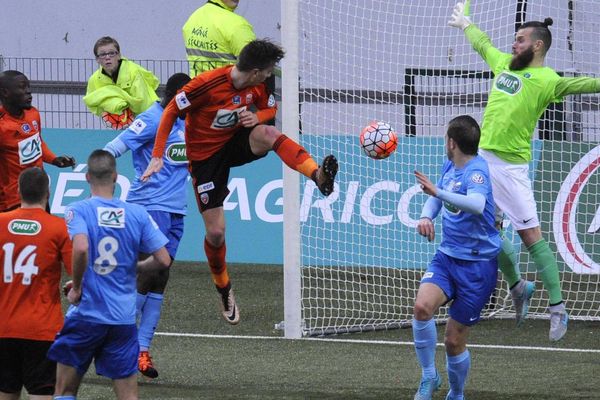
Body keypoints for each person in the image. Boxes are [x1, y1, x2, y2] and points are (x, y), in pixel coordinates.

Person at [142, 39, 338, 325]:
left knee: (269, 134)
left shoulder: (258, 86)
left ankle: (317, 175)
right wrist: (158, 155)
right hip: (206, 159)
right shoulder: (206, 85)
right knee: (217, 233)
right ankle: (223, 288)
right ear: (256, 71)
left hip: (235, 142)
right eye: (269, 71)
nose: (271, 75)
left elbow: (270, 110)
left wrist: (256, 116)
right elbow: (171, 109)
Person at [448, 1, 600, 341]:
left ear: (537, 45)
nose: (513, 44)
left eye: (519, 39)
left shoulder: (548, 80)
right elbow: (483, 44)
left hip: (513, 168)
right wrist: (467, 24)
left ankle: (558, 308)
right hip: (483, 161)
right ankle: (517, 286)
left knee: (530, 236)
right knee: (484, 228)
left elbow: (588, 84)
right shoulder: (503, 64)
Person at [47, 150, 171, 400]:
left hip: (86, 317)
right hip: (122, 321)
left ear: (86, 177)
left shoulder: (78, 210)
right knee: (127, 396)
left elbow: (81, 248)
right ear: (115, 176)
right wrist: (134, 267)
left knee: (64, 391)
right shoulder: (138, 214)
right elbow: (163, 260)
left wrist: (78, 287)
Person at [103, 72, 191, 379]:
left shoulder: (186, 121)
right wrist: (103, 186)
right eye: (185, 98)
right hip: (149, 207)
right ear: (173, 96)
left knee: (160, 277)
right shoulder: (152, 119)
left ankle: (141, 348)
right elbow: (113, 147)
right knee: (146, 274)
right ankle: (118, 344)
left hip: (176, 211)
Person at [412, 115, 500, 400]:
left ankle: (457, 394)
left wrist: (438, 191)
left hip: (478, 267)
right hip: (447, 258)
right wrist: (427, 214)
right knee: (422, 308)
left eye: (445, 139)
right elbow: (438, 196)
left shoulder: (476, 172)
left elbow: (476, 205)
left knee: (453, 341)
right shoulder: (451, 165)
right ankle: (429, 376)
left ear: (452, 142)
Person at [0, 167, 72, 400]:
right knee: (41, 393)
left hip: (3, 327)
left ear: (18, 191)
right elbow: (77, 273)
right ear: (48, 194)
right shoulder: (59, 228)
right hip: (42, 329)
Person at [0, 70, 75, 213]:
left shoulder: (33, 113)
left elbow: (38, 142)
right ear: (5, 93)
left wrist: (54, 159)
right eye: (22, 87)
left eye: (28, 86)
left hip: (39, 194)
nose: (29, 91)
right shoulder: (2, 126)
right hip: (12, 201)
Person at [83, 36, 159, 129]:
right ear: (97, 59)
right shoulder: (94, 80)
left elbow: (142, 103)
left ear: (119, 55)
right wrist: (113, 106)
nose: (107, 57)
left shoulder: (133, 72)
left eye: (111, 53)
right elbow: (92, 103)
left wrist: (121, 104)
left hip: (150, 117)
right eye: (102, 54)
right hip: (119, 125)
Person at [183, 0, 256, 77]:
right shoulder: (237, 24)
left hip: (197, 86)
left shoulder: (193, 18)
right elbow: (256, 66)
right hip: (227, 87)